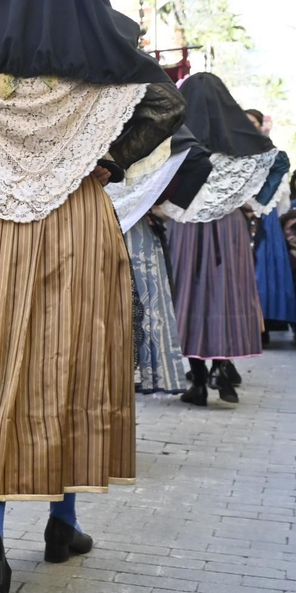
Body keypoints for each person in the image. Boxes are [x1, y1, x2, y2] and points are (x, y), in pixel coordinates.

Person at [0, 0, 184, 593]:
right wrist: (101, 162)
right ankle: (63, 523)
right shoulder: (107, 66)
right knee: (69, 362)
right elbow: (166, 106)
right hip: (78, 225)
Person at [162, 73, 281, 406]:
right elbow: (276, 166)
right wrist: (244, 200)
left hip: (185, 224)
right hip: (228, 229)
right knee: (225, 292)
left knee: (190, 295)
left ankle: (197, 381)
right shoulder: (247, 144)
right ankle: (223, 368)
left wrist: (165, 209)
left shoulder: (175, 136)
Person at [108, 117, 202, 396]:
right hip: (131, 226)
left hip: (103, 222)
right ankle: (131, 370)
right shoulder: (144, 119)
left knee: (123, 298)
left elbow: (198, 159)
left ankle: (122, 370)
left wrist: (158, 205)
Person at [246, 108, 296, 334]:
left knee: (264, 268)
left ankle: (266, 321)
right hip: (236, 212)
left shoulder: (271, 152)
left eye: (254, 123)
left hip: (265, 212)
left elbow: (280, 187)